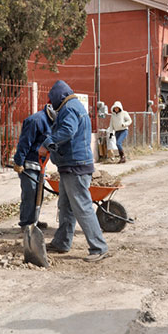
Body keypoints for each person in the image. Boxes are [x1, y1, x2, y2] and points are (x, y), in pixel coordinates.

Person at [38, 80, 109, 262]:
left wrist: (47, 144)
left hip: (75, 165)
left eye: (51, 99)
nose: (51, 103)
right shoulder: (73, 106)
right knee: (66, 206)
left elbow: (68, 131)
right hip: (70, 164)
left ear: (58, 97)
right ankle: (62, 242)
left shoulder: (69, 108)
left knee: (82, 207)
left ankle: (99, 247)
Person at [12, 104, 54, 231]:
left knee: (39, 193)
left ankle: (34, 220)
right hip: (28, 163)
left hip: (41, 163)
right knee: (30, 192)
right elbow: (24, 142)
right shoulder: (36, 120)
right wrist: (18, 162)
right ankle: (26, 223)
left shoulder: (53, 121)